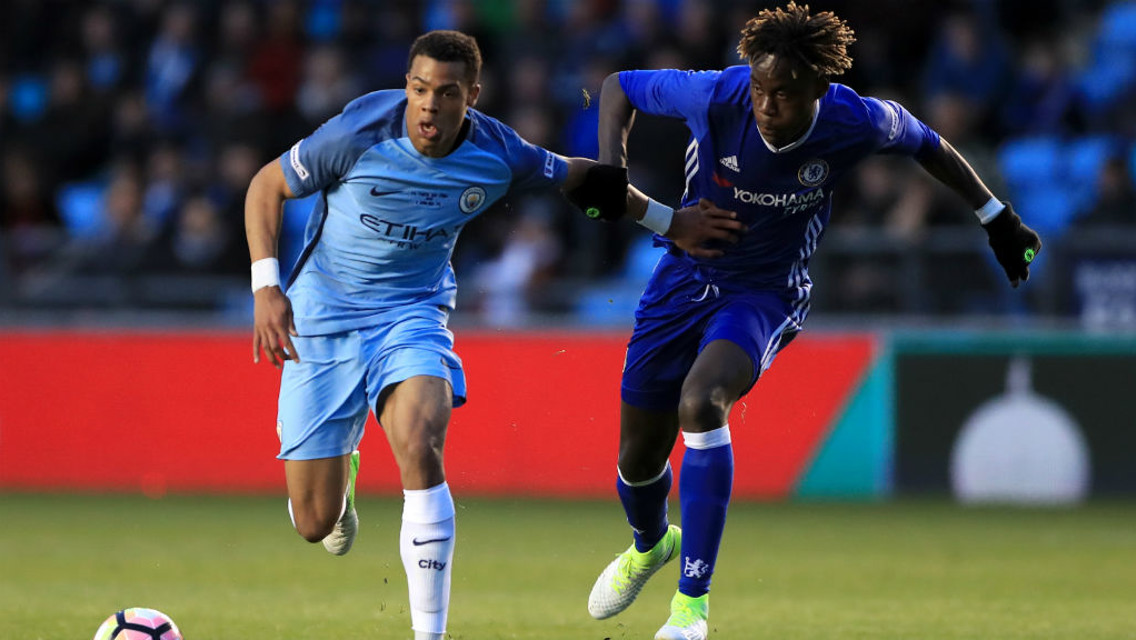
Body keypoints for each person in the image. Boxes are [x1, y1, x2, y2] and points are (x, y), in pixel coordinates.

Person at [243, 30, 743, 640]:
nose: (429, 105)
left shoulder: (497, 151)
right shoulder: (359, 131)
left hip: (410, 313)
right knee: (314, 523)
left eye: (446, 93)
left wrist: (671, 221)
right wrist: (267, 288)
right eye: (420, 89)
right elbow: (266, 185)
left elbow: (582, 179)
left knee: (422, 439)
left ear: (472, 96)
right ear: (407, 87)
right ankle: (342, 469)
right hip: (323, 316)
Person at [584, 4, 1043, 640]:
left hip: (764, 294)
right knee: (637, 461)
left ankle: (691, 609)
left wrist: (997, 217)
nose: (767, 105)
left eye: (785, 94)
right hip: (681, 279)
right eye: (761, 89)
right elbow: (618, 88)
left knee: (701, 402)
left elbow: (927, 143)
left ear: (819, 89)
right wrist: (614, 176)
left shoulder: (856, 119)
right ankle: (650, 545)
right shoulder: (716, 94)